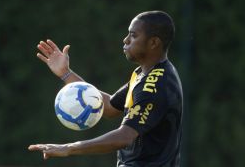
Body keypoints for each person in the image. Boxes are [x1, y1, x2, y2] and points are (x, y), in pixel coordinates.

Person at [28, 10, 183, 167]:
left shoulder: (155, 85)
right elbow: (109, 107)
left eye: (133, 35)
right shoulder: (143, 74)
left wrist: (68, 148)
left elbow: (124, 137)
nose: (125, 40)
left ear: (153, 43)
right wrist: (66, 74)